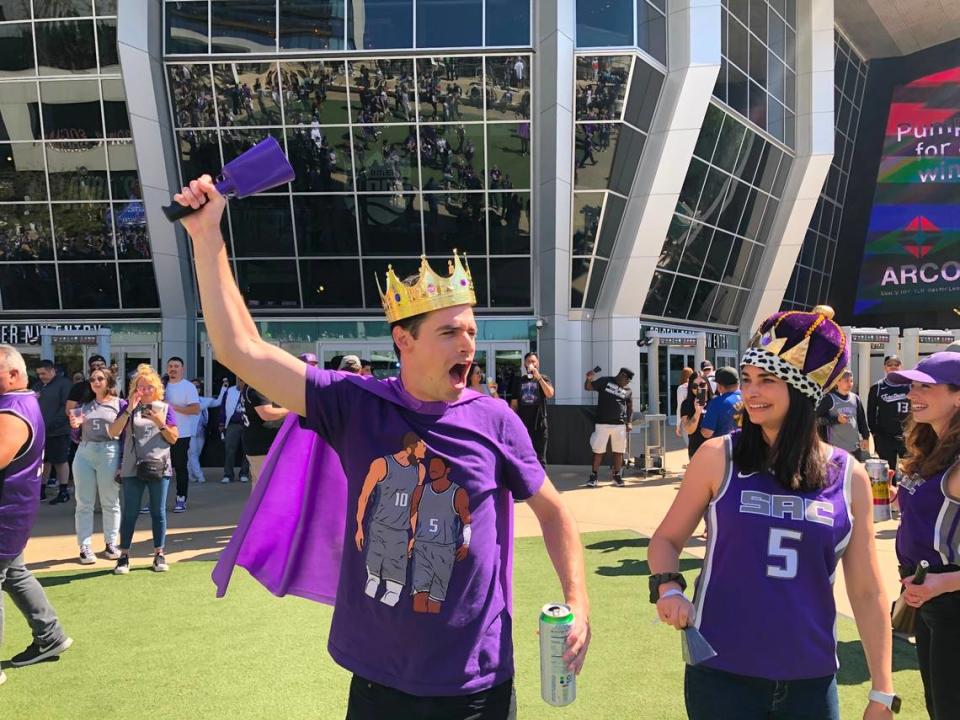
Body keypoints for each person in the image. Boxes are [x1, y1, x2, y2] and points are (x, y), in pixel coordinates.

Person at [177, 170, 590, 720]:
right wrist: (208, 236)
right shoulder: (354, 404)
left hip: (475, 686)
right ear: (404, 340)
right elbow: (239, 348)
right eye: (449, 332)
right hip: (377, 683)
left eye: (470, 330)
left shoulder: (496, 420)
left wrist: (579, 602)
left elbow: (555, 513)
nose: (467, 343)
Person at [649, 307, 898, 720]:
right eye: (747, 379)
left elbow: (868, 591)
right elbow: (666, 540)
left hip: (810, 677)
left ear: (802, 391)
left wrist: (883, 692)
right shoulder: (719, 456)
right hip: (721, 671)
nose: (752, 392)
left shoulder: (848, 475)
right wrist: (668, 587)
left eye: (767, 380)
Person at [888, 352, 960, 719]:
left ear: (958, 396)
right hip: (926, 596)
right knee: (938, 706)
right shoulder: (930, 446)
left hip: (951, 599)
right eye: (912, 386)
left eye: (926, 387)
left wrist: (944, 583)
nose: (913, 393)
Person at [0, 345, 73, 685]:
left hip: (6, 512)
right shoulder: (21, 402)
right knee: (14, 572)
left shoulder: (14, 409)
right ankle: (50, 634)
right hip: (15, 510)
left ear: (13, 374)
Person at [113, 364, 179, 575]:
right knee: (130, 512)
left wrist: (160, 423)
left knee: (157, 511)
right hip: (133, 466)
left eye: (149, 387)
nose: (145, 391)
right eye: (141, 387)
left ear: (157, 388)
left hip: (160, 466)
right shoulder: (128, 408)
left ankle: (159, 553)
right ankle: (124, 555)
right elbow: (113, 432)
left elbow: (173, 439)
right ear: (135, 389)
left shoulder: (166, 409)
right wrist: (129, 410)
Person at [69, 367, 124, 565]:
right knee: (84, 502)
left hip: (110, 450)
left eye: (100, 379)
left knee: (110, 501)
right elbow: (75, 436)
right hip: (85, 451)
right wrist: (75, 426)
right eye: (92, 379)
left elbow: (125, 436)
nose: (95, 382)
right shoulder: (84, 405)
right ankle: (84, 546)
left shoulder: (120, 404)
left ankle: (111, 543)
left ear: (109, 382)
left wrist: (122, 462)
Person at [52, 354, 107, 505]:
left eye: (100, 364)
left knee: (106, 476)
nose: (97, 367)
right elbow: (69, 410)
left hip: (108, 437)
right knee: (86, 474)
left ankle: (103, 502)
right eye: (94, 365)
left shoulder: (112, 387)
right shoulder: (79, 387)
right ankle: (86, 502)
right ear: (89, 368)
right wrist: (84, 417)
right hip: (84, 437)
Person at [584, 367, 634, 487]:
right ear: (621, 375)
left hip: (620, 425)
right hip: (602, 423)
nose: (627, 382)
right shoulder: (605, 381)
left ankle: (617, 476)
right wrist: (588, 379)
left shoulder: (628, 390)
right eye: (627, 379)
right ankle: (594, 476)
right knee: (598, 450)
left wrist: (629, 422)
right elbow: (588, 387)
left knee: (619, 451)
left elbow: (630, 408)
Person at [162, 357, 200, 513]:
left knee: (179, 466)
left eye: (176, 366)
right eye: (170, 366)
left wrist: (173, 407)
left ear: (182, 369)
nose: (173, 369)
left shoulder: (188, 387)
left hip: (181, 434)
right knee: (159, 468)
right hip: (160, 432)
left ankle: (181, 498)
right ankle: (157, 501)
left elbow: (195, 409)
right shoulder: (161, 385)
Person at [32, 360, 72, 501]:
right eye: (39, 374)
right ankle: (41, 490)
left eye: (43, 373)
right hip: (40, 432)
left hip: (58, 431)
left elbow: (65, 407)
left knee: (60, 461)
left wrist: (51, 424)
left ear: (52, 370)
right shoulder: (37, 386)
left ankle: (63, 491)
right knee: (44, 462)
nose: (41, 376)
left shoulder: (64, 384)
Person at [867, 355, 910, 476]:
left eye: (896, 365)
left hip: (906, 435)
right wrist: (874, 432)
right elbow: (871, 412)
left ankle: (907, 494)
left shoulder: (910, 385)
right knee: (887, 472)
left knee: (910, 471)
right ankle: (889, 493)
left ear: (901, 367)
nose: (893, 367)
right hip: (885, 437)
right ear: (885, 368)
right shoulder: (878, 387)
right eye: (890, 365)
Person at [509, 352, 553, 467]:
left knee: (540, 459)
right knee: (524, 457)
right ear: (524, 364)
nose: (531, 364)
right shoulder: (519, 381)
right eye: (528, 361)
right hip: (523, 426)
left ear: (537, 363)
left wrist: (538, 378)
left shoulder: (544, 378)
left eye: (533, 361)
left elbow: (550, 394)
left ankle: (542, 484)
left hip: (539, 425)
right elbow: (514, 405)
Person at [241, 380, 288, 487]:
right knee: (266, 489)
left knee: (261, 488)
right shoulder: (256, 386)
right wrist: (292, 411)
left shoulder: (257, 385)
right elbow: (266, 413)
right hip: (262, 448)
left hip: (263, 446)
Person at [817, 370, 870, 461]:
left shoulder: (855, 399)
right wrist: (836, 420)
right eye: (846, 381)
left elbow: (861, 420)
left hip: (854, 447)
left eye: (851, 381)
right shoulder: (829, 399)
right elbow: (816, 419)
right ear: (837, 382)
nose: (850, 383)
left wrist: (865, 437)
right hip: (835, 448)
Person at [187, 378, 224, 484]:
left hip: (201, 431)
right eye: (194, 386)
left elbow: (218, 402)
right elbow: (198, 408)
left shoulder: (203, 400)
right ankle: (200, 476)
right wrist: (207, 402)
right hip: (190, 432)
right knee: (193, 454)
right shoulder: (186, 401)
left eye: (198, 386)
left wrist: (223, 388)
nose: (196, 388)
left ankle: (190, 474)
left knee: (195, 454)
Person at [219, 378, 250, 484]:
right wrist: (222, 423)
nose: (240, 382)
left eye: (242, 380)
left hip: (247, 424)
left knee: (246, 451)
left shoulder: (250, 391)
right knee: (229, 450)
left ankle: (244, 473)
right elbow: (223, 407)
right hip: (233, 424)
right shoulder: (230, 391)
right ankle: (228, 474)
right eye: (239, 380)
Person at [699, 366, 741, 440]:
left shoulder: (717, 402)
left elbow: (707, 433)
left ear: (720, 386)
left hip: (726, 448)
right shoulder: (749, 399)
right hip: (748, 447)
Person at [679, 371, 713, 459]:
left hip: (715, 451)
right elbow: (689, 430)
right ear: (691, 388)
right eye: (695, 386)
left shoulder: (715, 403)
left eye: (702, 384)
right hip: (696, 452)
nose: (698, 388)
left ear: (707, 385)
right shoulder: (686, 404)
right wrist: (697, 412)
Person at [674, 367, 695, 442]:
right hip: (696, 417)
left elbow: (680, 406)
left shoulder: (681, 388)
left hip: (686, 418)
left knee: (689, 443)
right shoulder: (696, 386)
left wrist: (678, 425)